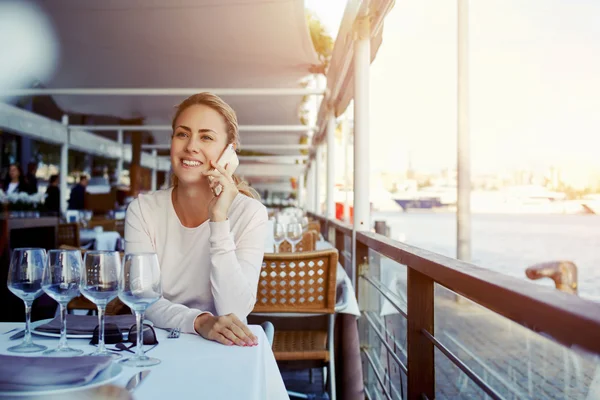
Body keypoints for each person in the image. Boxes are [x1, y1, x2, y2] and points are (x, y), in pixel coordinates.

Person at [125, 92, 268, 347]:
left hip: (224, 351)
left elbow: (234, 310)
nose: (191, 146)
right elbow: (142, 298)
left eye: (206, 137)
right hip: (156, 346)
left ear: (229, 152)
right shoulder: (142, 210)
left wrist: (219, 220)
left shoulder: (250, 214)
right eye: (182, 134)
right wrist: (199, 322)